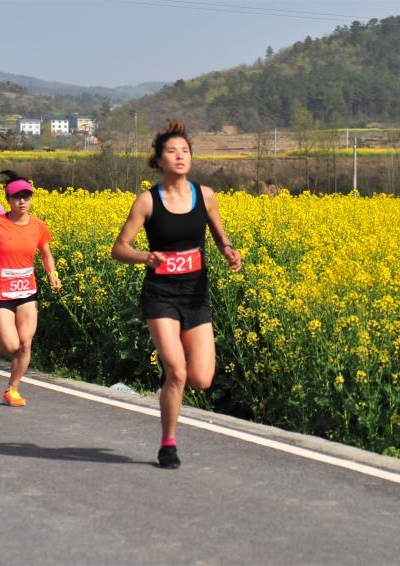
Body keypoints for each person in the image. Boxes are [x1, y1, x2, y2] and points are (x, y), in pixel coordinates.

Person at [111, 120, 242, 469]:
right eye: (172, 151)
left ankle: (168, 380)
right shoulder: (147, 201)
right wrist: (145, 257)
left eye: (185, 151)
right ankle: (168, 443)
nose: (180, 156)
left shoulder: (206, 195)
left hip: (195, 294)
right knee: (178, 372)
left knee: (201, 378)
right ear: (159, 160)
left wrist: (229, 252)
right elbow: (119, 248)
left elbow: (220, 238)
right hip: (161, 294)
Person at [0, 170, 61, 406]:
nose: (22, 201)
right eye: (17, 197)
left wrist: (52, 273)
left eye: (26, 197)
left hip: (27, 291)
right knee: (11, 345)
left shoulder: (38, 226)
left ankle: (12, 389)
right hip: (0, 291)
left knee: (25, 343)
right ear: (8, 199)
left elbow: (46, 254)